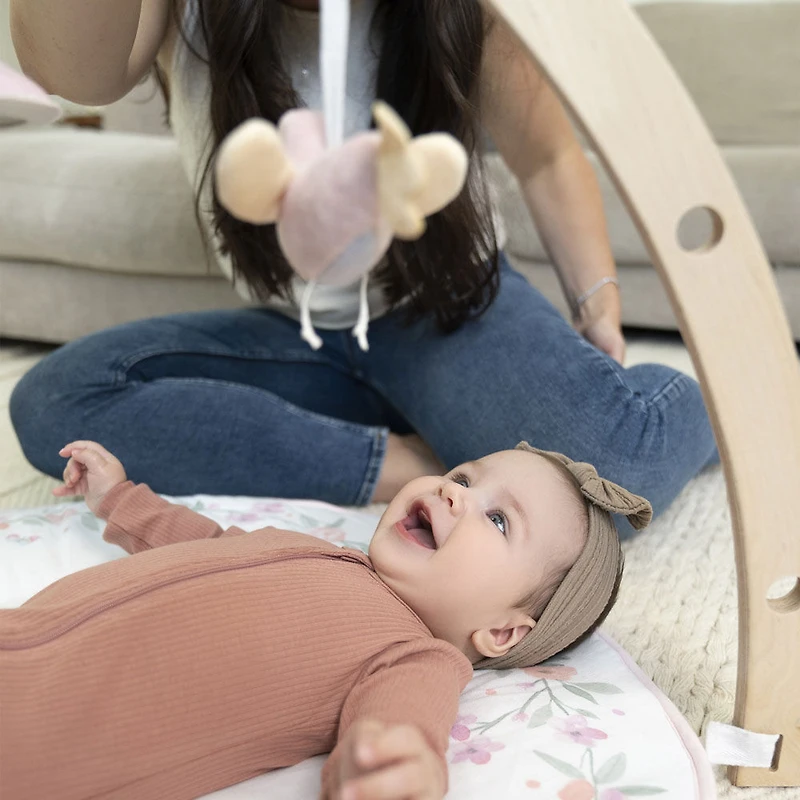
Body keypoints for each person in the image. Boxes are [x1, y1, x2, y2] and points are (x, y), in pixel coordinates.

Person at [8, 0, 717, 518]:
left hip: (448, 309)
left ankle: (686, 404)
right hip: (304, 333)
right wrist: (387, 467)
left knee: (618, 475)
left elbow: (548, 155)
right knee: (58, 405)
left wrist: (598, 309)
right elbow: (70, 71)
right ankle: (407, 454)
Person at [0, 439, 651, 800]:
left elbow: (399, 725)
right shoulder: (319, 550)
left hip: (45, 738)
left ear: (504, 631)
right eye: (464, 475)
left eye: (498, 519)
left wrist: (404, 769)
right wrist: (117, 496)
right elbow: (202, 541)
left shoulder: (416, 655)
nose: (454, 492)